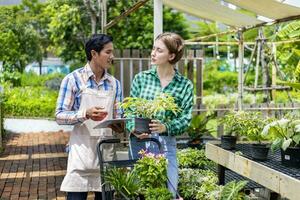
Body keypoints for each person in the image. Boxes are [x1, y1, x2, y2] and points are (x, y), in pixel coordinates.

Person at [55, 34, 122, 200]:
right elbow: (59, 115)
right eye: (108, 52)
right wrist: (85, 114)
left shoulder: (115, 83)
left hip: (105, 154)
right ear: (94, 54)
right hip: (81, 154)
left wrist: (120, 125)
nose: (112, 56)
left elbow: (119, 115)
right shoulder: (73, 80)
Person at [128, 32, 194, 197]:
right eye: (153, 48)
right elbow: (129, 110)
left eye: (159, 50)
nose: (153, 53)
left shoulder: (184, 85)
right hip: (140, 144)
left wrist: (166, 127)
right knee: (140, 193)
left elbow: (185, 118)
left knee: (168, 193)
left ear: (171, 55)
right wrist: (133, 127)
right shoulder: (141, 79)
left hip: (166, 145)